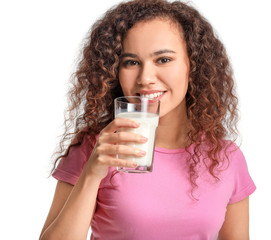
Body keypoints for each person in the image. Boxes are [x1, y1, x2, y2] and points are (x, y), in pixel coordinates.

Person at [39, 0, 256, 239]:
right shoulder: (96, 149)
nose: (146, 78)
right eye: (131, 62)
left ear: (193, 65)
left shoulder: (225, 158)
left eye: (163, 59)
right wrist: (92, 174)